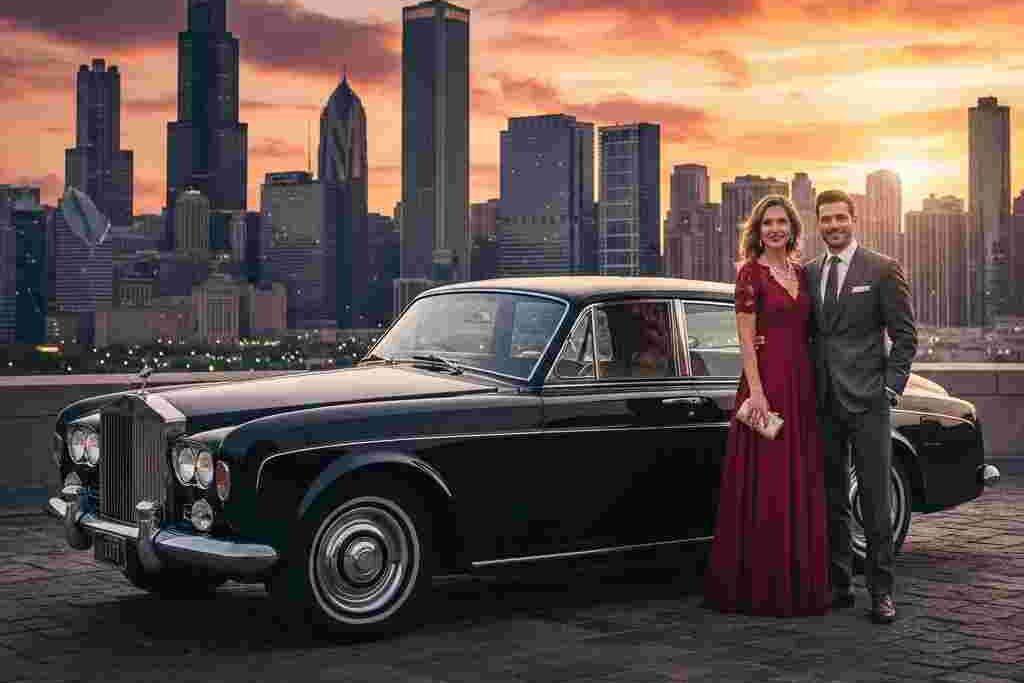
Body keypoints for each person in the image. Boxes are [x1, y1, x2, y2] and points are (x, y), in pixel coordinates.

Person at [703, 195, 830, 616]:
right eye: (766, 223)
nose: (774, 229)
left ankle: (799, 582)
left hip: (802, 385)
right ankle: (763, 587)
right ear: (757, 232)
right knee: (770, 483)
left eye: (781, 222)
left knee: (800, 479)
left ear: (793, 228)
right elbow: (745, 339)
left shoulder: (802, 274)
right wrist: (756, 393)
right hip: (766, 387)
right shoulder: (749, 276)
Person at [805, 189, 916, 624]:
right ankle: (839, 586)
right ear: (818, 223)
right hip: (824, 401)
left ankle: (882, 592)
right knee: (833, 497)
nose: (832, 226)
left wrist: (890, 389)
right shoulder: (810, 273)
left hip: (870, 402)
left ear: (854, 219)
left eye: (839, 218)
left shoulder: (883, 269)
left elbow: (905, 335)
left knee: (873, 499)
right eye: (825, 220)